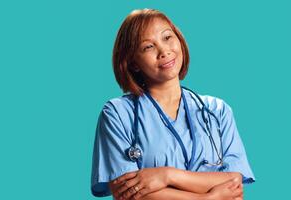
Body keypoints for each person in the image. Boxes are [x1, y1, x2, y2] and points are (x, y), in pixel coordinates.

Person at [91, 8, 255, 200]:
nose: (164, 51)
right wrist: (207, 198)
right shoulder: (117, 114)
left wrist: (166, 175)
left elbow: (234, 181)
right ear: (133, 62)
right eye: (148, 47)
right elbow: (127, 193)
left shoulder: (217, 111)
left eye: (167, 37)